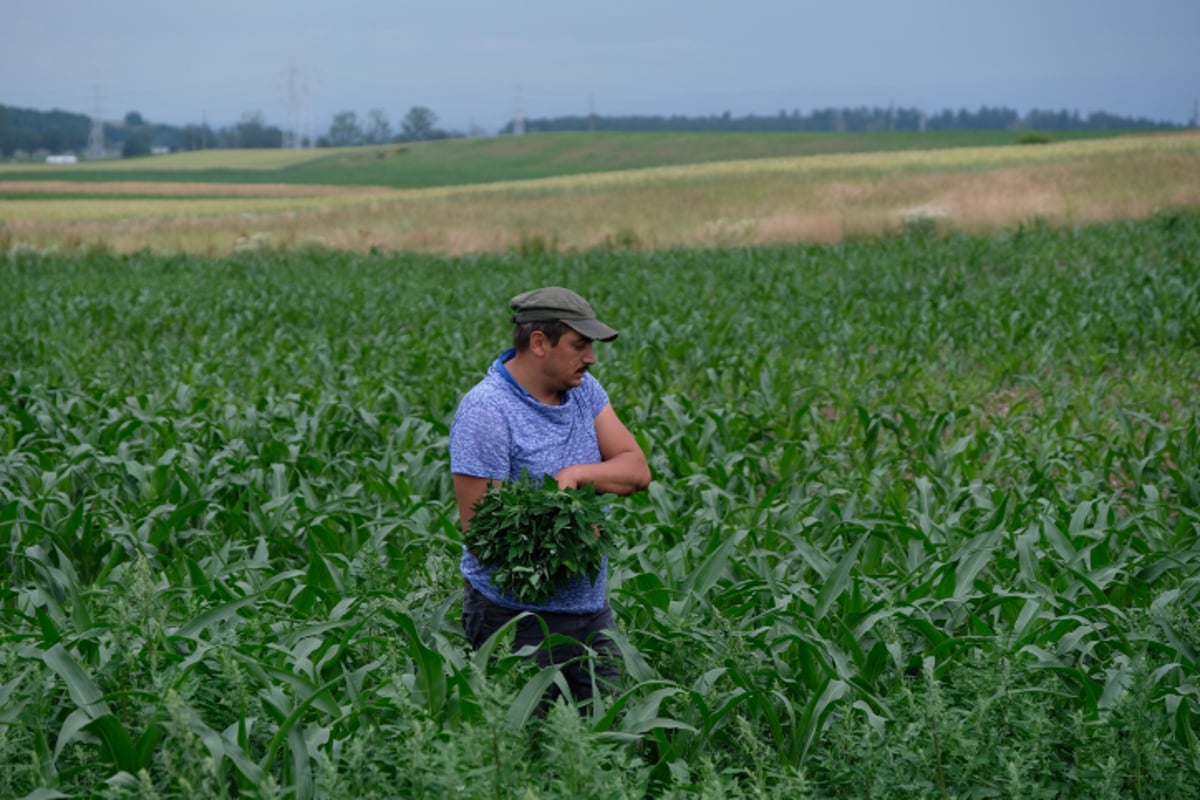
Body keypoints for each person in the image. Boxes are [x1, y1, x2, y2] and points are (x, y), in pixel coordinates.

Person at [450, 286, 651, 707]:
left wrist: (575, 475)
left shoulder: (585, 391)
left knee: (606, 740)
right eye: (579, 346)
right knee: (529, 752)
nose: (591, 358)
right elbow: (483, 536)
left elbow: (636, 469)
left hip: (592, 613)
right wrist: (569, 531)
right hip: (515, 621)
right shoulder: (486, 412)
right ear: (540, 343)